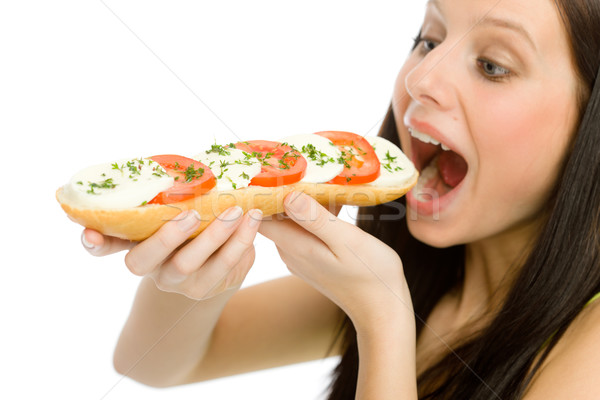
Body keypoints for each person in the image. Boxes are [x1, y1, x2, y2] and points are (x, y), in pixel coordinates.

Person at [80, 0, 600, 398]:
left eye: (491, 65)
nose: (422, 79)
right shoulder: (425, 278)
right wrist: (204, 273)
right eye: (428, 39)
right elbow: (151, 364)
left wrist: (382, 317)